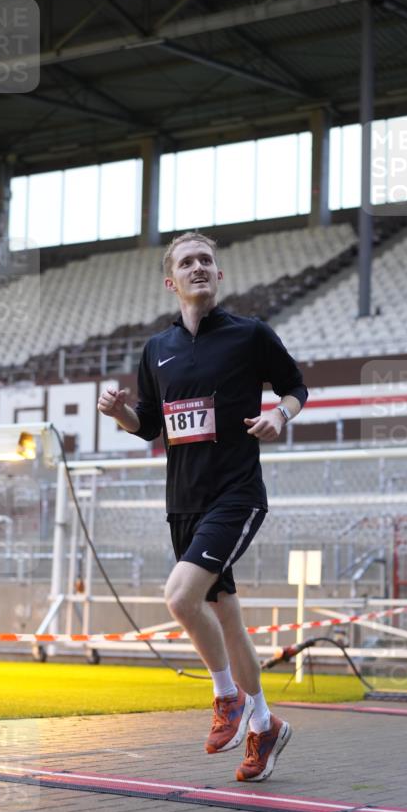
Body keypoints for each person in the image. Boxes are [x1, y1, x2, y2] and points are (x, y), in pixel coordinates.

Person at [98, 231, 308, 781]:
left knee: (179, 597)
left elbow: (295, 387)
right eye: (187, 262)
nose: (198, 267)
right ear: (171, 281)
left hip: (236, 494)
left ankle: (226, 697)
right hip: (183, 503)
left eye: (206, 261)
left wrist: (279, 415)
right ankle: (263, 725)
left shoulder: (250, 334)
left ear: (219, 275)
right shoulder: (156, 349)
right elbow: (150, 423)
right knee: (227, 618)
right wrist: (120, 414)